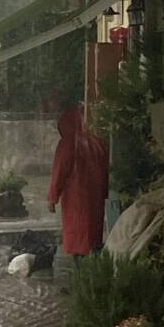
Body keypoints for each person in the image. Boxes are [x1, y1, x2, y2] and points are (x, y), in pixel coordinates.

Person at [47, 105, 109, 258]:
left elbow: (59, 173)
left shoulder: (66, 145)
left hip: (75, 199)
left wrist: (52, 198)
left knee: (77, 237)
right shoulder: (97, 143)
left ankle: (82, 272)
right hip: (95, 198)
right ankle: (94, 268)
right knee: (93, 235)